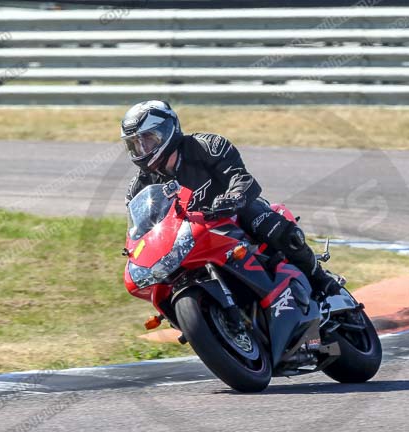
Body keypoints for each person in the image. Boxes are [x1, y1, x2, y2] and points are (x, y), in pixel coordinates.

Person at [122, 100, 342, 295]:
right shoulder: (138, 187)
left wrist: (232, 198)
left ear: (167, 131)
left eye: (147, 140)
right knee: (163, 281)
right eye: (135, 143)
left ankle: (321, 280)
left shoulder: (207, 146)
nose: (142, 148)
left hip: (233, 215)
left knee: (269, 225)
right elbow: (140, 229)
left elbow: (242, 178)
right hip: (189, 238)